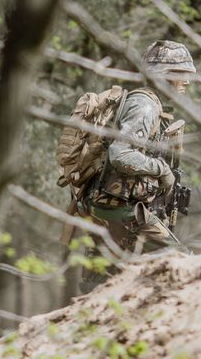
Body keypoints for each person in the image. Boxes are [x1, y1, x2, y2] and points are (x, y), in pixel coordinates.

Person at [79, 40, 195, 256]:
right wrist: (162, 169)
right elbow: (120, 154)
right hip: (119, 208)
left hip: (105, 204)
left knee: (102, 279)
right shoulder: (145, 106)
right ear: (163, 74)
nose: (187, 81)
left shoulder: (148, 103)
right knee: (182, 259)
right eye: (181, 73)